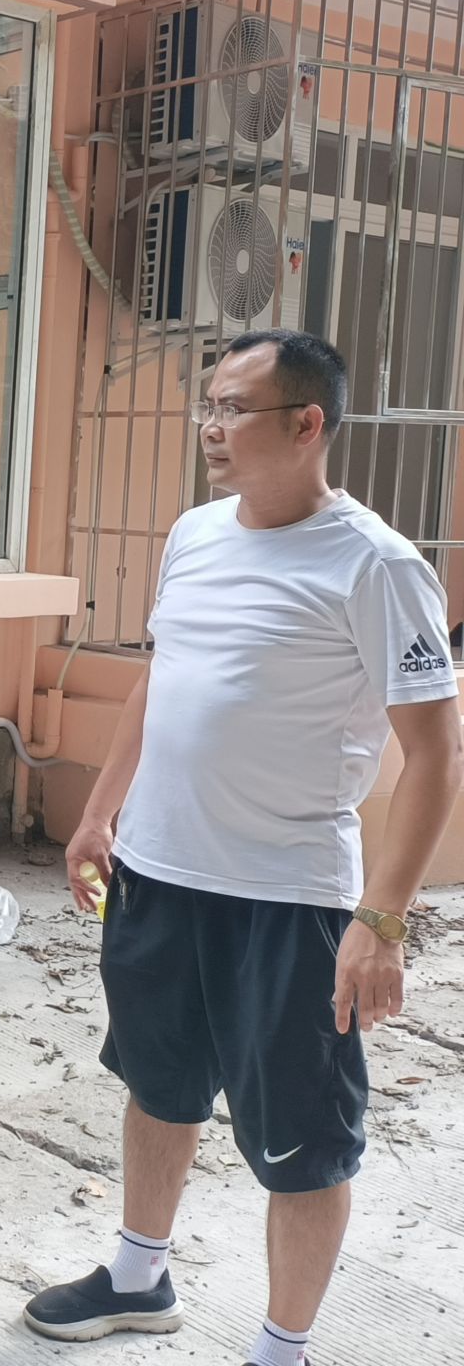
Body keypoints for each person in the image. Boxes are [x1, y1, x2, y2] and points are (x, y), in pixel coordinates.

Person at [23, 331, 462, 1366]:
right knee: (156, 1083)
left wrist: (381, 921)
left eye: (232, 409)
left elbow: (434, 755)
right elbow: (162, 676)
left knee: (302, 1138)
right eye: (207, 407)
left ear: (306, 423)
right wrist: (100, 811)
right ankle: (138, 1277)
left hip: (287, 899)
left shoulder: (375, 564)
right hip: (158, 876)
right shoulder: (194, 533)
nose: (210, 428)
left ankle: (280, 1348)